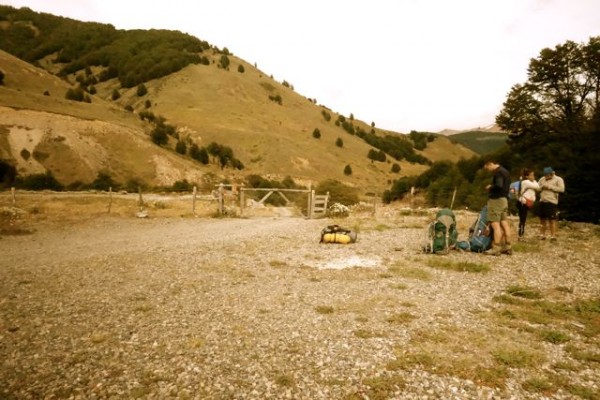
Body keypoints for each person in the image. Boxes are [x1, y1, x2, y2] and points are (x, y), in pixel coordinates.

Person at [483, 160, 513, 255]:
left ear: (490, 164)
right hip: (504, 200)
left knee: (495, 225)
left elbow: (499, 185)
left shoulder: (498, 172)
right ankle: (507, 246)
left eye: (487, 168)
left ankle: (496, 247)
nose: (488, 170)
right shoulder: (505, 171)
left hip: (496, 200)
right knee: (504, 223)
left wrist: (490, 187)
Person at [537, 167, 565, 241]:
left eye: (548, 175)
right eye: (545, 175)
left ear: (552, 173)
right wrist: (542, 187)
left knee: (552, 219)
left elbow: (562, 189)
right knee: (542, 219)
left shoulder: (558, 179)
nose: (546, 176)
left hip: (551, 201)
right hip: (542, 200)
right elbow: (537, 188)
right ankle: (542, 234)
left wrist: (550, 187)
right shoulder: (542, 179)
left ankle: (553, 235)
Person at [516, 168, 540, 239]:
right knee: (522, 219)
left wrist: (534, 180)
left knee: (523, 218)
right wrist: (535, 181)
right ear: (527, 176)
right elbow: (538, 187)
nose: (533, 177)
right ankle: (521, 235)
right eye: (531, 175)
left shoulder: (530, 182)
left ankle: (521, 234)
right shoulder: (526, 182)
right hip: (523, 203)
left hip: (526, 203)